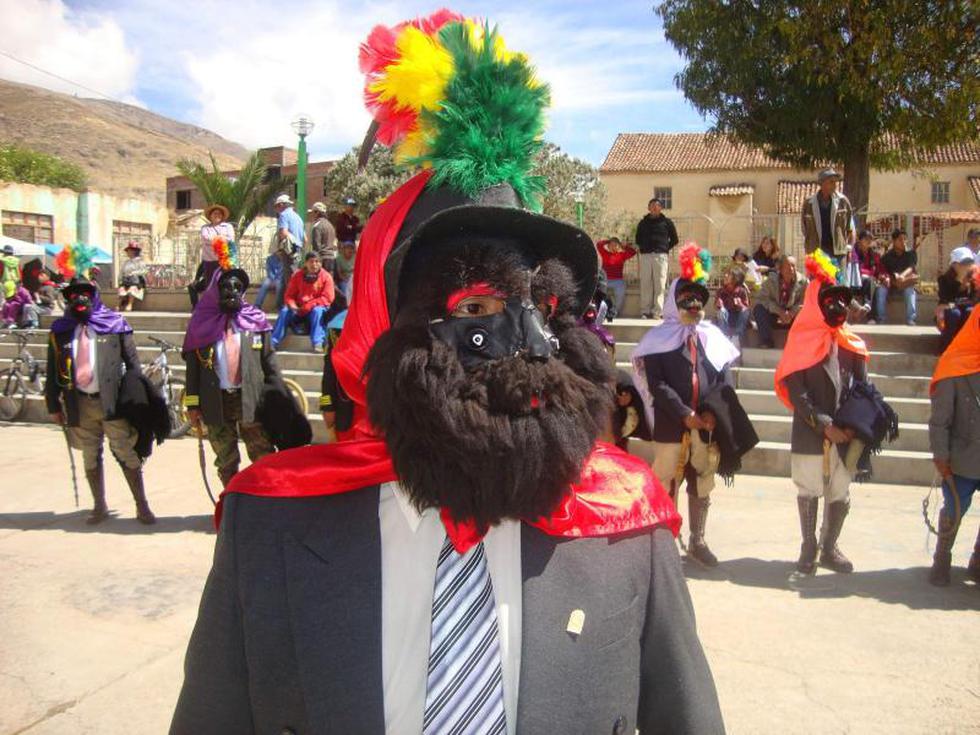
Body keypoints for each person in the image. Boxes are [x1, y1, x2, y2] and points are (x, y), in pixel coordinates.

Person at [171, 13, 725, 733]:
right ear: (381, 323)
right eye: (477, 306)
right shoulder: (268, 524)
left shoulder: (628, 523)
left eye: (542, 308)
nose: (523, 342)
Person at [632, 244, 743, 567]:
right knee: (666, 478)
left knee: (702, 478)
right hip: (671, 422)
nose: (693, 305)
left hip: (705, 426)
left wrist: (711, 413)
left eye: (697, 299)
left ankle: (698, 540)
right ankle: (665, 541)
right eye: (686, 298)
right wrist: (685, 414)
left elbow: (723, 378)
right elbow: (657, 385)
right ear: (673, 301)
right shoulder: (657, 341)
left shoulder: (711, 337)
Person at [774, 253, 871, 574]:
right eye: (829, 301)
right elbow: (797, 392)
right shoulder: (800, 341)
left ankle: (830, 546)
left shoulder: (852, 345)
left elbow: (863, 390)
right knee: (809, 488)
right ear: (816, 303)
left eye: (841, 301)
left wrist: (854, 426)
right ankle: (809, 546)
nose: (837, 307)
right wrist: (825, 425)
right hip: (811, 430)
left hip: (846, 434)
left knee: (840, 490)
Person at [182, 267, 308, 488]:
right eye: (226, 286)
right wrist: (192, 405)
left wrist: (280, 397)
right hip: (216, 401)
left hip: (250, 399)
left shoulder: (255, 322)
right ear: (216, 290)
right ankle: (232, 502)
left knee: (263, 455)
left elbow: (270, 363)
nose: (232, 291)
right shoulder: (201, 323)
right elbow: (192, 370)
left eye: (238, 287)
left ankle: (265, 500)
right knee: (226, 460)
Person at [44, 277, 155, 524]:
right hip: (79, 403)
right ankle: (99, 505)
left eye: (85, 293)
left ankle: (142, 505)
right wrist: (53, 404)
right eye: (74, 295)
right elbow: (52, 370)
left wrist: (138, 398)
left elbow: (133, 364)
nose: (79, 299)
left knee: (125, 451)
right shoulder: (60, 331)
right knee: (90, 454)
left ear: (94, 296)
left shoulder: (114, 324)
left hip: (111, 402)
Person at [927, 304, 980, 586]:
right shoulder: (954, 365)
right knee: (954, 510)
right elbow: (940, 420)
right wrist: (941, 456)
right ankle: (942, 557)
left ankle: (978, 561)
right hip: (962, 457)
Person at [271, 252, 335, 352]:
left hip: (314, 309)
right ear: (305, 263)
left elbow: (328, 298)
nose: (314, 264)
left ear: (321, 263)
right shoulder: (297, 275)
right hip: (298, 309)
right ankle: (274, 342)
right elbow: (289, 296)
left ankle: (318, 342)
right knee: (284, 311)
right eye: (311, 262)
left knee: (318, 311)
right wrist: (293, 305)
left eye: (317, 262)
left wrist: (310, 305)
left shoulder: (326, 277)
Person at [634, 197, 679, 319]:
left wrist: (664, 248)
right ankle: (645, 311)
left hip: (661, 256)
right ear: (648, 208)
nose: (654, 207)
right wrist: (643, 248)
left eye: (657, 205)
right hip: (646, 256)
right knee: (646, 283)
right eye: (652, 205)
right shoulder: (642, 223)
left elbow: (675, 239)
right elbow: (637, 238)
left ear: (661, 208)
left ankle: (658, 312)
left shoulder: (667, 222)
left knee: (660, 285)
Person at [752, 255, 807, 348]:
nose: (791, 269)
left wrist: (792, 313)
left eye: (793, 266)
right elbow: (761, 299)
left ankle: (798, 342)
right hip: (775, 311)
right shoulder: (771, 281)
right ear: (780, 269)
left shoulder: (804, 281)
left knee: (806, 313)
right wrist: (779, 311)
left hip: (793, 314)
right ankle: (766, 341)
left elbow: (804, 301)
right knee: (759, 309)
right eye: (787, 266)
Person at [801, 168, 855, 261]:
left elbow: (850, 227)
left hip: (838, 254)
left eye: (835, 182)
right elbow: (804, 229)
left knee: (836, 271)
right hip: (816, 252)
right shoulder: (809, 204)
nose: (835, 185)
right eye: (831, 182)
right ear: (822, 183)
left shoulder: (843, 201)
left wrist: (849, 248)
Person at [191, 204, 236, 306]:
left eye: (219, 213)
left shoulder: (228, 227)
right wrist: (221, 239)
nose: (217, 215)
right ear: (210, 216)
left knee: (225, 284)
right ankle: (212, 307)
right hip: (210, 261)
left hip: (224, 261)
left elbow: (230, 239)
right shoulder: (205, 228)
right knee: (211, 286)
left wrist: (215, 240)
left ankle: (225, 306)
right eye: (215, 213)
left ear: (222, 216)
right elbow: (206, 238)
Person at [935, 246, 975, 353]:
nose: (967, 266)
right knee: (954, 314)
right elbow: (945, 300)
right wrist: (960, 283)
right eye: (964, 263)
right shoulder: (944, 280)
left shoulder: (974, 279)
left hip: (965, 310)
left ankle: (965, 348)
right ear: (954, 264)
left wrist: (967, 284)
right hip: (948, 311)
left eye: (969, 262)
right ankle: (944, 349)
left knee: (970, 312)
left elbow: (974, 300)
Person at [876, 228, 918, 325]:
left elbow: (911, 267)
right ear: (894, 241)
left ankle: (911, 319)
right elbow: (882, 270)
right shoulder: (887, 256)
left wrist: (902, 276)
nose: (903, 242)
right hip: (892, 283)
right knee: (880, 290)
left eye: (905, 239)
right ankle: (881, 319)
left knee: (910, 291)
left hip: (905, 282)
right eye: (900, 239)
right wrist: (888, 278)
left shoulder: (911, 253)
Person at [596, 237, 636, 318]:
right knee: (599, 292)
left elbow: (633, 252)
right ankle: (600, 310)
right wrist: (608, 241)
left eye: (615, 245)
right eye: (611, 245)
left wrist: (624, 246)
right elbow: (599, 245)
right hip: (605, 280)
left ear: (619, 246)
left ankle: (614, 311)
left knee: (620, 293)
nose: (613, 247)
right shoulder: (604, 253)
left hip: (618, 281)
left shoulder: (622, 255)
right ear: (608, 246)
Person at [851, 230, 884, 323]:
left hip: (867, 282)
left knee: (875, 285)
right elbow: (856, 269)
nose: (869, 241)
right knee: (869, 281)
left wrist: (881, 276)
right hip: (855, 280)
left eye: (870, 239)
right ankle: (869, 313)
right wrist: (868, 274)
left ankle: (870, 314)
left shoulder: (872, 253)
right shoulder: (854, 252)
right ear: (859, 240)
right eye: (866, 239)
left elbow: (877, 269)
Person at [714, 265, 750, 348]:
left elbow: (746, 308)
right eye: (726, 274)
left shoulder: (741, 291)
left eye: (729, 274)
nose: (725, 276)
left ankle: (736, 337)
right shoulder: (720, 291)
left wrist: (740, 305)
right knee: (721, 312)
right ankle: (725, 336)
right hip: (726, 317)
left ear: (736, 278)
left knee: (745, 312)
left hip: (737, 317)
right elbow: (716, 307)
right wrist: (719, 305)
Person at [117, 241, 148, 312]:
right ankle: (119, 305)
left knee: (132, 289)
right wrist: (120, 279)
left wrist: (134, 273)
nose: (128, 252)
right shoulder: (126, 262)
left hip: (137, 282)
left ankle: (130, 304)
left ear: (134, 251)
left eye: (129, 250)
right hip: (127, 281)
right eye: (128, 251)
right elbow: (122, 272)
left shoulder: (140, 261)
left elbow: (144, 271)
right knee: (122, 289)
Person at [309, 201, 338, 275]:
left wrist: (314, 261)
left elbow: (316, 245)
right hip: (331, 257)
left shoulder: (317, 226)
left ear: (317, 212)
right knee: (328, 280)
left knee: (319, 280)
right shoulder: (330, 225)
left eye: (313, 212)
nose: (312, 215)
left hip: (322, 258)